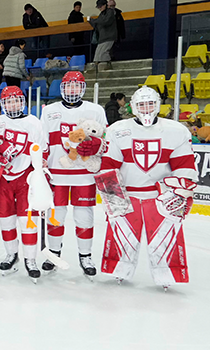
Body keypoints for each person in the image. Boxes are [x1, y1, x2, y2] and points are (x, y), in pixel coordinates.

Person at [99, 86, 198, 289]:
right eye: (141, 104)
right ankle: (119, 270)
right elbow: (108, 166)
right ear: (133, 107)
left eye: (150, 104)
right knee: (121, 237)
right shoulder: (117, 130)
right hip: (127, 196)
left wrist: (180, 194)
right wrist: (112, 199)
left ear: (158, 105)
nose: (146, 109)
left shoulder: (176, 130)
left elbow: (185, 167)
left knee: (165, 239)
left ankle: (168, 276)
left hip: (160, 197)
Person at [39, 71, 108, 277]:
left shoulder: (95, 110)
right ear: (62, 88)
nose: (72, 90)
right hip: (57, 174)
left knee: (83, 216)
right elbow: (42, 141)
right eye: (69, 86)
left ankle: (85, 255)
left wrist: (97, 146)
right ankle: (53, 253)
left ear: (83, 88)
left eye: (76, 86)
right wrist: (41, 163)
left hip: (84, 174)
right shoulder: (49, 111)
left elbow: (105, 138)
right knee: (56, 215)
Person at [0, 85, 46, 282]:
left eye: (16, 100)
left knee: (28, 222)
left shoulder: (33, 122)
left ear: (23, 102)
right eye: (8, 101)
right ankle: (12, 255)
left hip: (25, 178)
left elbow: (42, 150)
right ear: (2, 104)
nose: (13, 104)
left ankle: (30, 259)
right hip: (3, 179)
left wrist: (41, 173)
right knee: (6, 221)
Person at [89, 0, 117, 67]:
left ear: (105, 5)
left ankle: (106, 66)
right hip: (102, 37)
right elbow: (98, 25)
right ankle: (97, 68)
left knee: (104, 53)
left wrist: (94, 21)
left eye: (100, 6)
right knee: (97, 55)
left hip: (109, 36)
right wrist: (91, 22)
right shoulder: (101, 14)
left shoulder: (110, 12)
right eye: (98, 7)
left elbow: (105, 22)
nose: (99, 8)